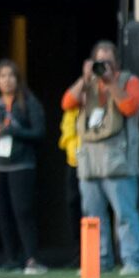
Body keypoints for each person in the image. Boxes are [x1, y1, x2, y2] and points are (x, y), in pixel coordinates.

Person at [62, 40, 139, 275]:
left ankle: (132, 259)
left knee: (125, 214)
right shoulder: (89, 84)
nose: (104, 66)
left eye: (108, 62)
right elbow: (67, 103)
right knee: (93, 214)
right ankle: (99, 260)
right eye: (100, 62)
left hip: (118, 159)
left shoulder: (129, 80)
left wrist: (111, 83)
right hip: (89, 159)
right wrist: (84, 78)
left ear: (116, 62)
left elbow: (129, 107)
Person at [0, 59, 47, 275]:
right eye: (2, 76)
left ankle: (31, 258)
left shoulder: (29, 102)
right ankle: (10, 258)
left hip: (21, 164)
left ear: (18, 79)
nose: (7, 80)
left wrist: (13, 131)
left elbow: (39, 133)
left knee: (23, 211)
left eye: (11, 75)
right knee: (2, 212)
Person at [58, 107, 82, 266]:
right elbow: (66, 100)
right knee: (74, 206)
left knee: (94, 210)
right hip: (74, 161)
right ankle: (80, 254)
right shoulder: (73, 108)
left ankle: (102, 255)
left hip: (97, 160)